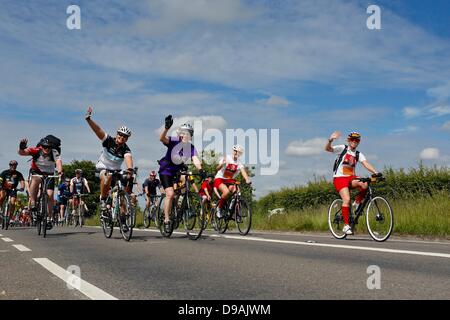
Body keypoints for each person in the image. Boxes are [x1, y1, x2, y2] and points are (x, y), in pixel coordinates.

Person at [85, 106, 134, 231]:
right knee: (106, 177)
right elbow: (98, 130)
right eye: (120, 135)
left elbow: (128, 159)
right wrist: (89, 120)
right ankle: (102, 198)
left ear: (126, 139)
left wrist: (130, 169)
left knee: (122, 197)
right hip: (102, 166)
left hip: (116, 170)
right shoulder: (108, 140)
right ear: (117, 134)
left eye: (124, 137)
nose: (121, 137)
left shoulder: (126, 149)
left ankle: (122, 221)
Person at [325, 131, 381, 235]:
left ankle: (357, 202)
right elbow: (328, 149)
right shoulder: (343, 148)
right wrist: (330, 140)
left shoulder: (358, 154)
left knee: (365, 183)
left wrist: (376, 172)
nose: (354, 141)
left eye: (357, 140)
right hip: (339, 178)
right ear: (348, 140)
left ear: (359, 142)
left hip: (351, 178)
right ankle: (346, 226)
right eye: (352, 139)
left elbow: (365, 163)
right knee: (346, 199)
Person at [158, 115, 205, 233]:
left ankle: (181, 203)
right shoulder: (174, 141)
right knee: (170, 194)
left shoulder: (191, 147)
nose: (185, 135)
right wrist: (166, 128)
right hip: (166, 170)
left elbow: (195, 159)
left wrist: (200, 170)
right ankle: (167, 220)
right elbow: (162, 139)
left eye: (188, 133)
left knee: (186, 179)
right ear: (180, 134)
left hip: (178, 171)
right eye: (183, 133)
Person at [18, 138, 63, 230]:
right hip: (37, 172)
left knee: (50, 195)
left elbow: (58, 162)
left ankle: (49, 218)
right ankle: (33, 201)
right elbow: (22, 153)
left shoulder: (54, 152)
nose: (47, 149)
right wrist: (21, 148)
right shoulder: (36, 150)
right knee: (36, 179)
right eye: (45, 147)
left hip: (49, 174)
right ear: (41, 147)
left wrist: (60, 172)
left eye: (49, 147)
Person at [214, 145, 251, 219]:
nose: (237, 153)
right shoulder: (226, 158)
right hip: (220, 178)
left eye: (239, 153)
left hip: (229, 180)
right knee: (226, 192)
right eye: (236, 151)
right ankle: (219, 208)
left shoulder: (239, 162)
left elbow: (243, 171)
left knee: (238, 192)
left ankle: (235, 211)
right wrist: (221, 165)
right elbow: (217, 168)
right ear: (233, 151)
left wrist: (247, 179)